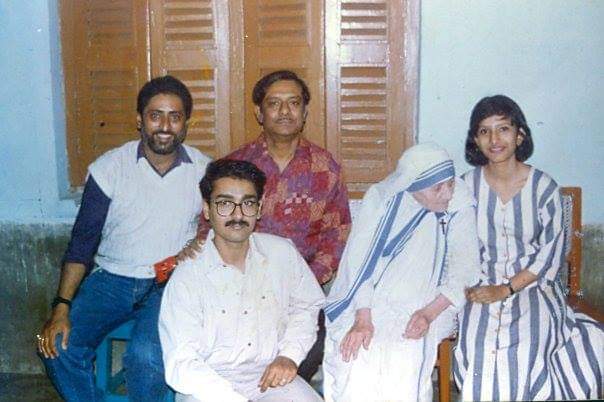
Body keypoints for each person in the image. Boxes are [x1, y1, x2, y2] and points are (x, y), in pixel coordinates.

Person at [37, 75, 211, 401]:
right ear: (139, 120)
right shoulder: (109, 169)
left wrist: (194, 250)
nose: (164, 126)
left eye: (174, 117)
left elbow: (220, 229)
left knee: (145, 357)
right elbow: (82, 244)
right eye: (155, 115)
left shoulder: (203, 171)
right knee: (54, 347)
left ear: (186, 124)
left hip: (169, 284)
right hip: (110, 281)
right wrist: (61, 307)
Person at [189, 70, 351, 380]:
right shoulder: (235, 167)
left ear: (304, 112)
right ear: (259, 113)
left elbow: (337, 234)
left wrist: (302, 280)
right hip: (239, 285)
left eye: (294, 103)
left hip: (300, 287)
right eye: (274, 103)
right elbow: (208, 230)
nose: (285, 111)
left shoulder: (325, 168)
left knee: (306, 349)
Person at [454, 95, 604, 400]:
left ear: (519, 134)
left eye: (503, 129)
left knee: (527, 346)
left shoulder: (544, 187)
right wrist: (467, 284)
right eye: (484, 131)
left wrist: (507, 289)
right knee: (479, 347)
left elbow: (550, 253)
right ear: (475, 139)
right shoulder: (465, 187)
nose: (494, 139)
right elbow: (453, 244)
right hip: (479, 285)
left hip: (533, 286)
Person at [322, 142, 481, 402]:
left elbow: (466, 270)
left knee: (403, 357)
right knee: (356, 355)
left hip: (432, 302)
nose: (447, 193)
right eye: (437, 188)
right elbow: (360, 266)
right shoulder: (383, 201)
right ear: (413, 186)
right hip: (369, 301)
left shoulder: (458, 204)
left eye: (450, 183)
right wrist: (363, 318)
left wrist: (427, 314)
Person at [159, 159, 325, 402]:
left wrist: (289, 355)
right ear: (207, 209)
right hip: (207, 385)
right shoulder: (188, 275)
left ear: (258, 209)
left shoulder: (282, 253)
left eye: (247, 204)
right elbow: (181, 362)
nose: (237, 215)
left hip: (269, 376)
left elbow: (307, 305)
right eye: (225, 204)